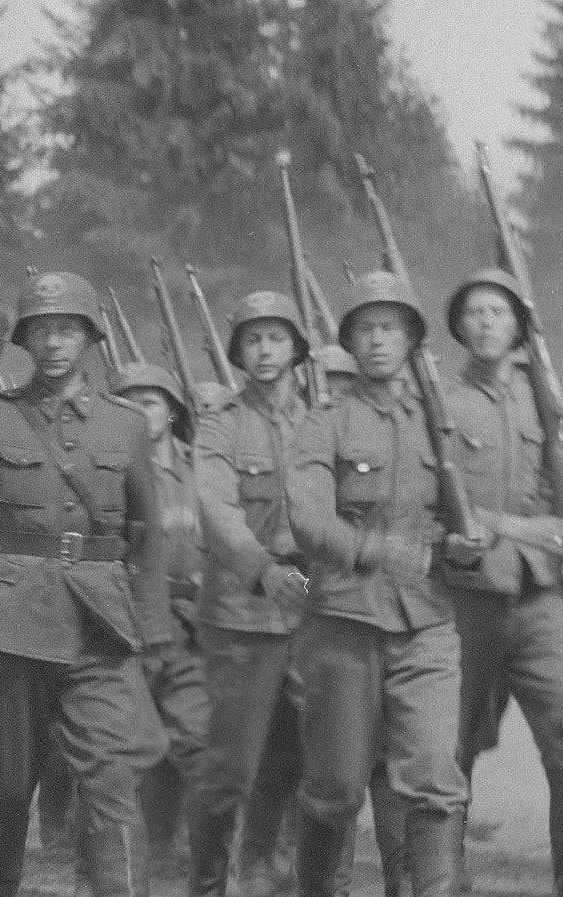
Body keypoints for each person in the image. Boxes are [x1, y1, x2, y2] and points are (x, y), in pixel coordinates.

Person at [0, 270, 168, 897]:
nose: (54, 343)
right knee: (6, 783)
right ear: (24, 342)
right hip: (9, 625)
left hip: (100, 626)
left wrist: (152, 630)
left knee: (112, 775)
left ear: (90, 339)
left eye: (67, 330)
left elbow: (148, 532)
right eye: (41, 331)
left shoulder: (125, 425)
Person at [284, 271, 470, 897]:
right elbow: (308, 517)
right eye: (365, 328)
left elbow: (473, 510)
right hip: (344, 621)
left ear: (413, 338)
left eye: (391, 327)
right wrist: (373, 548)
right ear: (350, 341)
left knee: (435, 779)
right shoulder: (325, 422)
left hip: (427, 623)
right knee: (336, 788)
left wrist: (468, 543)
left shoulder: (443, 422)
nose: (378, 340)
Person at [436, 269, 563, 896]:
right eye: (472, 312)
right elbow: (438, 502)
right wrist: (522, 528)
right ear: (457, 327)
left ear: (520, 325)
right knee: (451, 748)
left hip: (540, 596)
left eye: (498, 311)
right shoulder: (441, 403)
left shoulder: (545, 398)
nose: (484, 322)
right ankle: (442, 877)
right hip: (466, 596)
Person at [188, 291, 315, 897]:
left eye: (276, 338)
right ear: (238, 352)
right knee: (229, 765)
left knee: (297, 757)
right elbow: (215, 508)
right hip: (242, 615)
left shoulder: (324, 420)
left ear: (296, 348)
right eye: (253, 340)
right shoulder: (221, 424)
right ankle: (208, 883)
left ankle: (262, 863)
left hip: (315, 611)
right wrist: (262, 567)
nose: (265, 351)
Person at [111, 362, 210, 878]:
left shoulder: (205, 469)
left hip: (193, 627)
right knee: (123, 749)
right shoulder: (105, 472)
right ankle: (112, 869)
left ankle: (195, 857)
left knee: (196, 739)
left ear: (172, 412)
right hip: (125, 626)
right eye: (126, 404)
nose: (138, 413)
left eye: (149, 402)